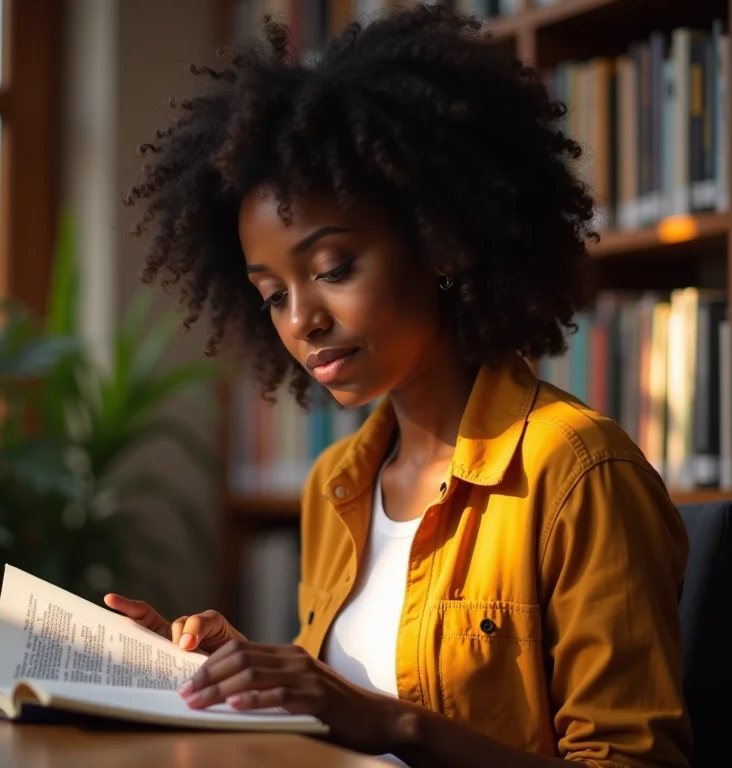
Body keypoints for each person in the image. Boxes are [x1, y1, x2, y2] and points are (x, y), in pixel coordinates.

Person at [105, 4, 692, 766]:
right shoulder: (336, 485)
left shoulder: (576, 474)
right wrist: (225, 676)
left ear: (438, 243)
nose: (303, 321)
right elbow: (342, 717)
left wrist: (393, 724)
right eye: (272, 295)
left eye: (333, 270)